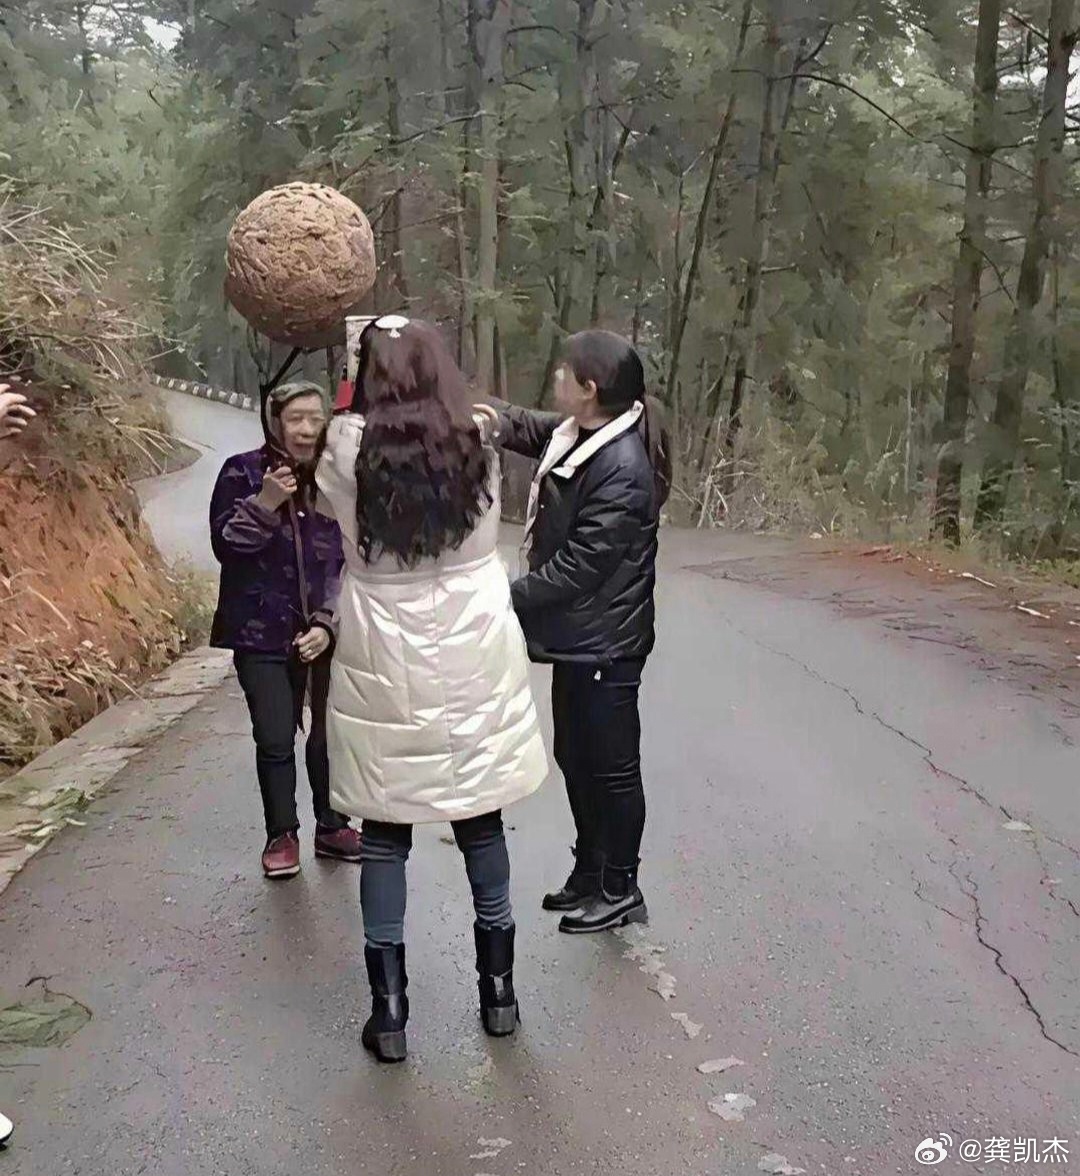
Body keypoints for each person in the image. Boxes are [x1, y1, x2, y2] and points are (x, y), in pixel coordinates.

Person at [315, 315, 547, 1064]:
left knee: (385, 831)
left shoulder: (343, 451)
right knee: (481, 819)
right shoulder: (475, 439)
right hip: (473, 644)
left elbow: (326, 497)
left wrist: (349, 393)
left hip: (384, 650)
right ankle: (499, 996)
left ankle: (389, 1013)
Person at [488, 329, 670, 935]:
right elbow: (524, 426)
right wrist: (469, 409)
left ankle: (620, 886)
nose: (555, 379)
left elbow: (579, 567)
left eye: (564, 373)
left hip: (608, 644)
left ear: (589, 389)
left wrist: (500, 597)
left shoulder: (622, 468)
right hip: (581, 640)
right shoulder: (582, 432)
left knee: (611, 768)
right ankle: (590, 870)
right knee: (575, 755)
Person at [209, 380, 362, 879]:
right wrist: (265, 501)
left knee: (328, 736)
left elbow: (345, 559)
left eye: (315, 418)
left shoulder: (332, 480)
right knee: (275, 737)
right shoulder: (240, 472)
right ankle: (282, 834)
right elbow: (227, 547)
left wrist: (327, 621)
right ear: (275, 422)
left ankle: (332, 825)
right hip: (259, 632)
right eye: (295, 418)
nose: (306, 429)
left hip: (321, 632)